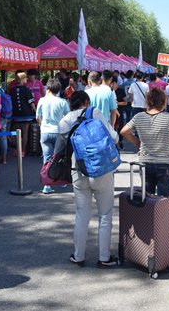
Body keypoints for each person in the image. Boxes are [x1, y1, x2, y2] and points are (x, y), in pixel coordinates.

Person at [56, 91, 119, 268]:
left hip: (78, 171)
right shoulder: (95, 113)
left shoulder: (64, 121)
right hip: (101, 171)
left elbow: (60, 149)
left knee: (81, 215)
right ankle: (104, 257)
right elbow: (114, 137)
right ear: (86, 101)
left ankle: (79, 256)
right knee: (105, 215)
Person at [121, 88, 169, 197]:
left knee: (147, 199)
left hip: (145, 162)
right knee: (164, 200)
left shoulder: (138, 117)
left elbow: (124, 132)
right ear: (163, 102)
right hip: (165, 163)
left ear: (148, 102)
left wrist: (138, 143)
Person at [36, 78, 70, 194]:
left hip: (45, 132)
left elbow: (37, 117)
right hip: (58, 132)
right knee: (60, 157)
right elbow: (68, 118)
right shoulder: (62, 102)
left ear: (48, 89)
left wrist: (41, 125)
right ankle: (62, 179)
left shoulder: (42, 100)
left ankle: (47, 185)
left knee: (47, 158)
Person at [10, 72, 36, 157]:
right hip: (26, 114)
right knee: (25, 134)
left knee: (17, 134)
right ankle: (23, 151)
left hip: (16, 114)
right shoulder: (26, 89)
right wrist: (36, 111)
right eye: (25, 78)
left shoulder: (12, 90)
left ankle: (17, 150)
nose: (26, 79)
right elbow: (31, 102)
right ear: (22, 79)